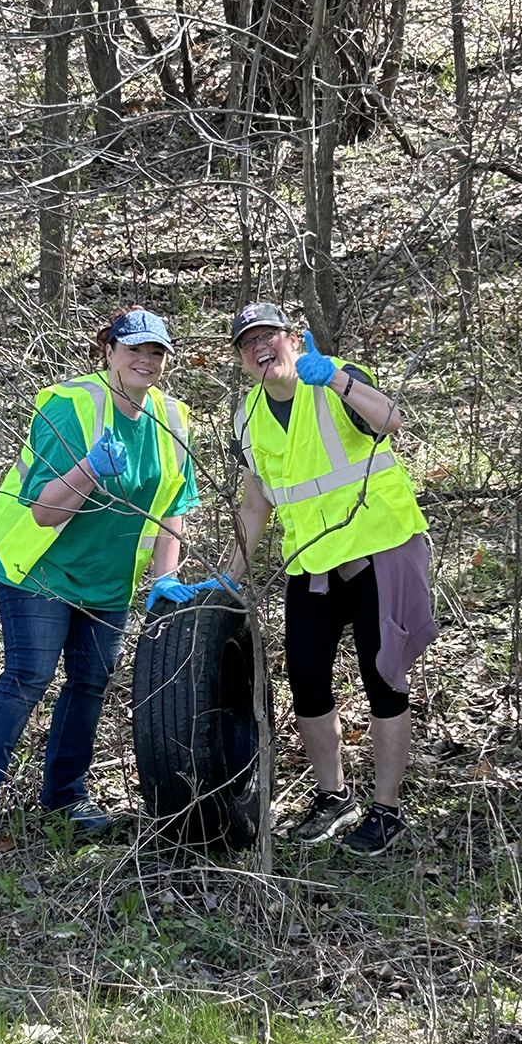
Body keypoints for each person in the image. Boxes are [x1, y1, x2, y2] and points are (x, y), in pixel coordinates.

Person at [153, 302, 437, 855]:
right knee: (306, 685)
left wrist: (334, 376)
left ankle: (387, 810)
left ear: (293, 340)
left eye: (270, 336)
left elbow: (391, 420)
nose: (262, 348)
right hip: (311, 566)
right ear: (239, 357)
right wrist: (226, 580)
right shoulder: (248, 414)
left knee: (384, 682)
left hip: (379, 550)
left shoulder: (335, 378)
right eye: (248, 342)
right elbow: (256, 506)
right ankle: (334, 798)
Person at [0, 307, 198, 859]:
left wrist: (164, 579)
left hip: (107, 579)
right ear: (109, 352)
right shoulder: (69, 406)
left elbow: (173, 506)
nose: (145, 361)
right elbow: (46, 512)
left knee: (90, 681)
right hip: (41, 567)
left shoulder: (174, 418)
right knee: (28, 676)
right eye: (134, 350)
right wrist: (91, 468)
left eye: (156, 352)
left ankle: (65, 797)